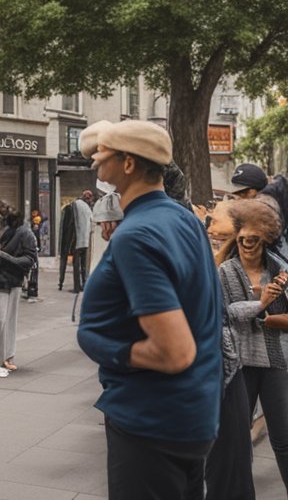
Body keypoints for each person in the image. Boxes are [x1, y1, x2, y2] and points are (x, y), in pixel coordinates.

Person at [76, 120, 221, 500]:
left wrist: (106, 348)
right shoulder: (185, 219)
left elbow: (174, 352)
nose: (94, 162)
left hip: (151, 419)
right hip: (191, 415)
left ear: (128, 164)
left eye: (102, 155)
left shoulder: (137, 234)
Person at [217, 198, 288, 491]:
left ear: (265, 238)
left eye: (254, 239)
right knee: (235, 441)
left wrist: (269, 309)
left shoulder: (281, 270)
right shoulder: (226, 271)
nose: (247, 243)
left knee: (284, 441)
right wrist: (261, 303)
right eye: (243, 238)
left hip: (276, 363)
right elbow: (228, 313)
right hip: (239, 364)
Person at [204, 201, 256, 500]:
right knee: (228, 458)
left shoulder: (230, 265)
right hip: (227, 366)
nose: (210, 222)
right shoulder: (218, 260)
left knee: (229, 458)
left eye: (217, 215)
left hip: (227, 368)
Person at [0, 210, 37, 377]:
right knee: (0, 318)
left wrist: (5, 257)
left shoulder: (23, 233)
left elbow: (29, 258)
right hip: (4, 278)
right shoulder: (10, 232)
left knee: (5, 318)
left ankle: (0, 357)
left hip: (11, 278)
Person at [59, 190, 94, 292]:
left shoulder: (75, 205)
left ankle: (76, 287)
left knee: (76, 264)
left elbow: (69, 224)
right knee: (83, 264)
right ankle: (84, 284)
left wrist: (67, 243)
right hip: (86, 241)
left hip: (77, 240)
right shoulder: (88, 208)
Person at [25, 210, 44, 301]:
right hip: (32, 252)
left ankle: (31, 292)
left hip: (32, 251)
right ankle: (32, 293)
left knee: (32, 273)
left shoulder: (32, 230)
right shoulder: (31, 232)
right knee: (33, 272)